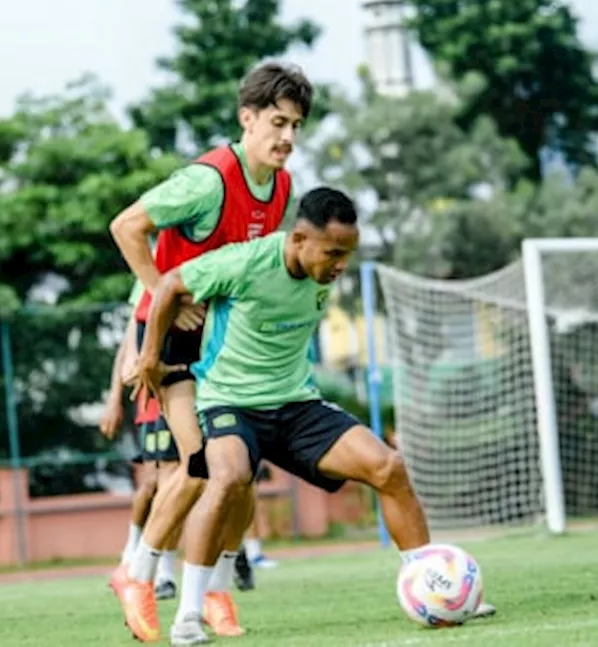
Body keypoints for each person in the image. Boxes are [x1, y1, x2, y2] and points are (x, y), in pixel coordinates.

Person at [137, 187, 496, 645]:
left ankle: (435, 586)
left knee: (388, 466)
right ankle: (188, 614)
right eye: (333, 252)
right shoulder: (242, 262)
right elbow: (168, 285)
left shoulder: (321, 272)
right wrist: (150, 357)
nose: (341, 264)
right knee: (226, 479)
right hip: (230, 402)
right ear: (299, 239)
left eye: (347, 253)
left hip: (295, 404)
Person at [109, 61, 310, 642]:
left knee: (240, 474)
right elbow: (127, 226)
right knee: (200, 465)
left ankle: (216, 590)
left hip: (222, 342)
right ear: (246, 118)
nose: (287, 137)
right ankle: (137, 573)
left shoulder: (283, 188)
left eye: (296, 125)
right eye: (277, 122)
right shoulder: (208, 181)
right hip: (171, 336)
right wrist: (158, 297)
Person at [98, 288, 178, 599]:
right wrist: (114, 398)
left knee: (182, 481)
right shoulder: (151, 277)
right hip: (155, 397)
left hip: (193, 391)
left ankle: (164, 573)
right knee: (156, 482)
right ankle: (134, 551)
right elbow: (129, 343)